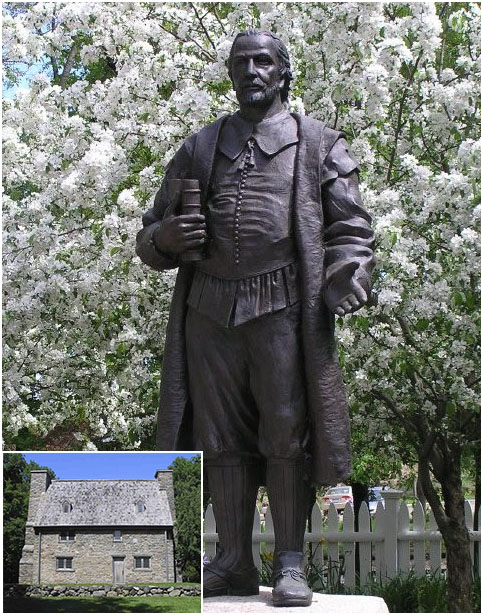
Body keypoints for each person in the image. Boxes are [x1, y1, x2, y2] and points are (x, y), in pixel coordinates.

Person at [136, 30, 375, 607]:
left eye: (263, 61)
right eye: (241, 62)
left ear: (283, 72)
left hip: (283, 308)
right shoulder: (200, 146)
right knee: (219, 438)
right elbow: (148, 237)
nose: (251, 71)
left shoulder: (317, 143)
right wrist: (164, 236)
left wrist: (348, 272)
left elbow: (351, 227)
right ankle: (234, 562)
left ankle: (290, 563)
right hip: (208, 311)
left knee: (284, 430)